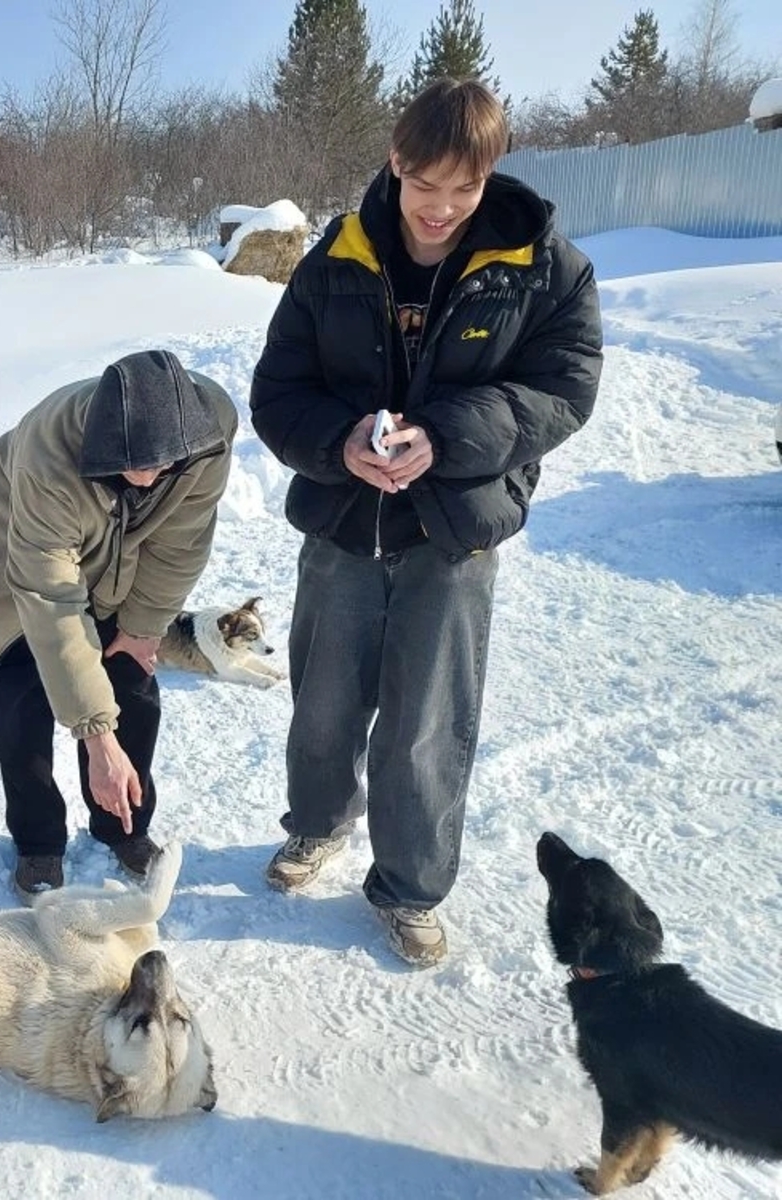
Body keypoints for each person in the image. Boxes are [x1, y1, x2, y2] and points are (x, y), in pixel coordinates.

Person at [249, 79, 603, 967]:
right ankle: (318, 825)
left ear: (490, 174)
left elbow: (565, 388)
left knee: (427, 721)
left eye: (464, 189)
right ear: (395, 164)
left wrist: (443, 438)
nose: (442, 209)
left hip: (456, 528)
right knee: (323, 704)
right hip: (343, 521)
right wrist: (340, 441)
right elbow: (277, 392)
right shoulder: (337, 258)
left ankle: (409, 886)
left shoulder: (543, 263)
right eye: (424, 186)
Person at [0, 350, 236, 900]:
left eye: (163, 464)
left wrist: (144, 627)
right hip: (8, 566)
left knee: (132, 686)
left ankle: (122, 824)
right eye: (134, 464)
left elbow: (181, 541)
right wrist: (95, 734)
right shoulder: (49, 452)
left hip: (109, 561)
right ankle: (38, 842)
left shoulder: (209, 428)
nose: (150, 478)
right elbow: (52, 598)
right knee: (22, 703)